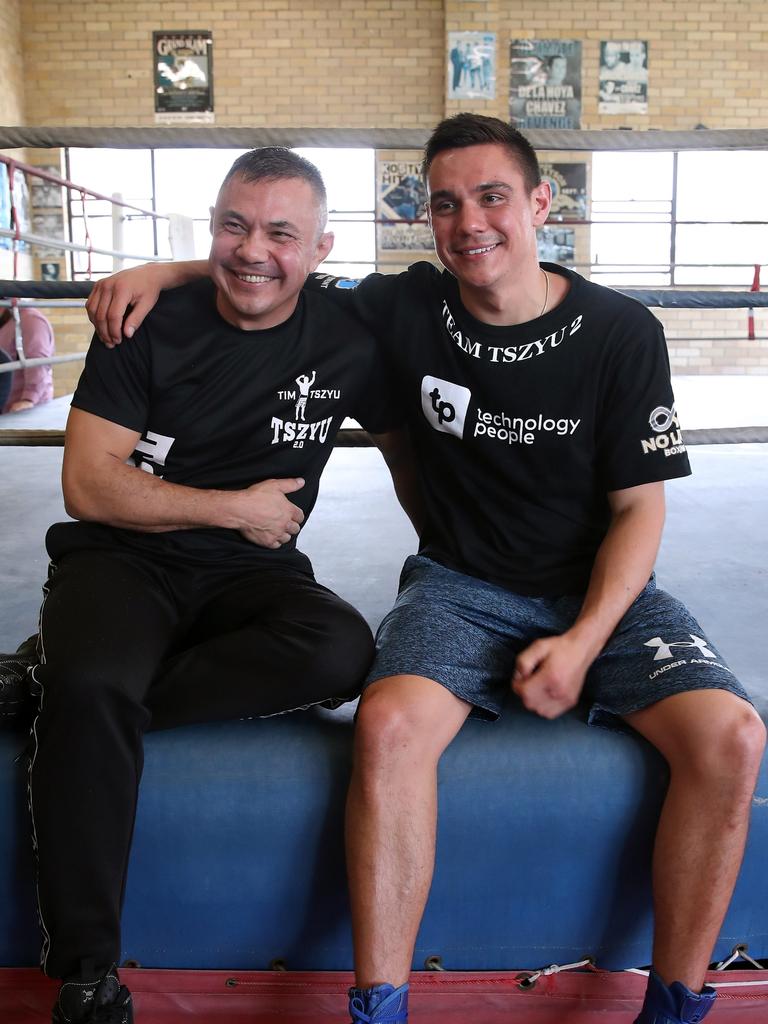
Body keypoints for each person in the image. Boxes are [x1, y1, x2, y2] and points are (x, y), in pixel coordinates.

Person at [80, 114, 765, 1024]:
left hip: (604, 589)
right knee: (390, 729)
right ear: (429, 220)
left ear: (539, 203)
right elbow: (267, 273)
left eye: (492, 197)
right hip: (462, 584)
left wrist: (582, 639)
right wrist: (157, 273)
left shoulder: (619, 331)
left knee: (735, 739)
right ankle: (382, 1007)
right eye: (447, 204)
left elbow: (642, 509)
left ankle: (675, 1005)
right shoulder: (403, 308)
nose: (470, 222)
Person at [6, 147, 400, 1024]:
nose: (253, 249)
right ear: (210, 227)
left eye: (281, 233)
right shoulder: (144, 321)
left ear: (322, 248)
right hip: (122, 556)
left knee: (341, 648)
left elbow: (470, 317)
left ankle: (60, 696)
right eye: (233, 225)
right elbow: (90, 483)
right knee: (97, 680)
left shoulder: (350, 333)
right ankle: (87, 972)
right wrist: (232, 508)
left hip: (252, 572)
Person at [0, 304, 54, 413]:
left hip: (22, 412)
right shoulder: (7, 321)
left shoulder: (30, 320)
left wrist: (28, 399)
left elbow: (37, 362)